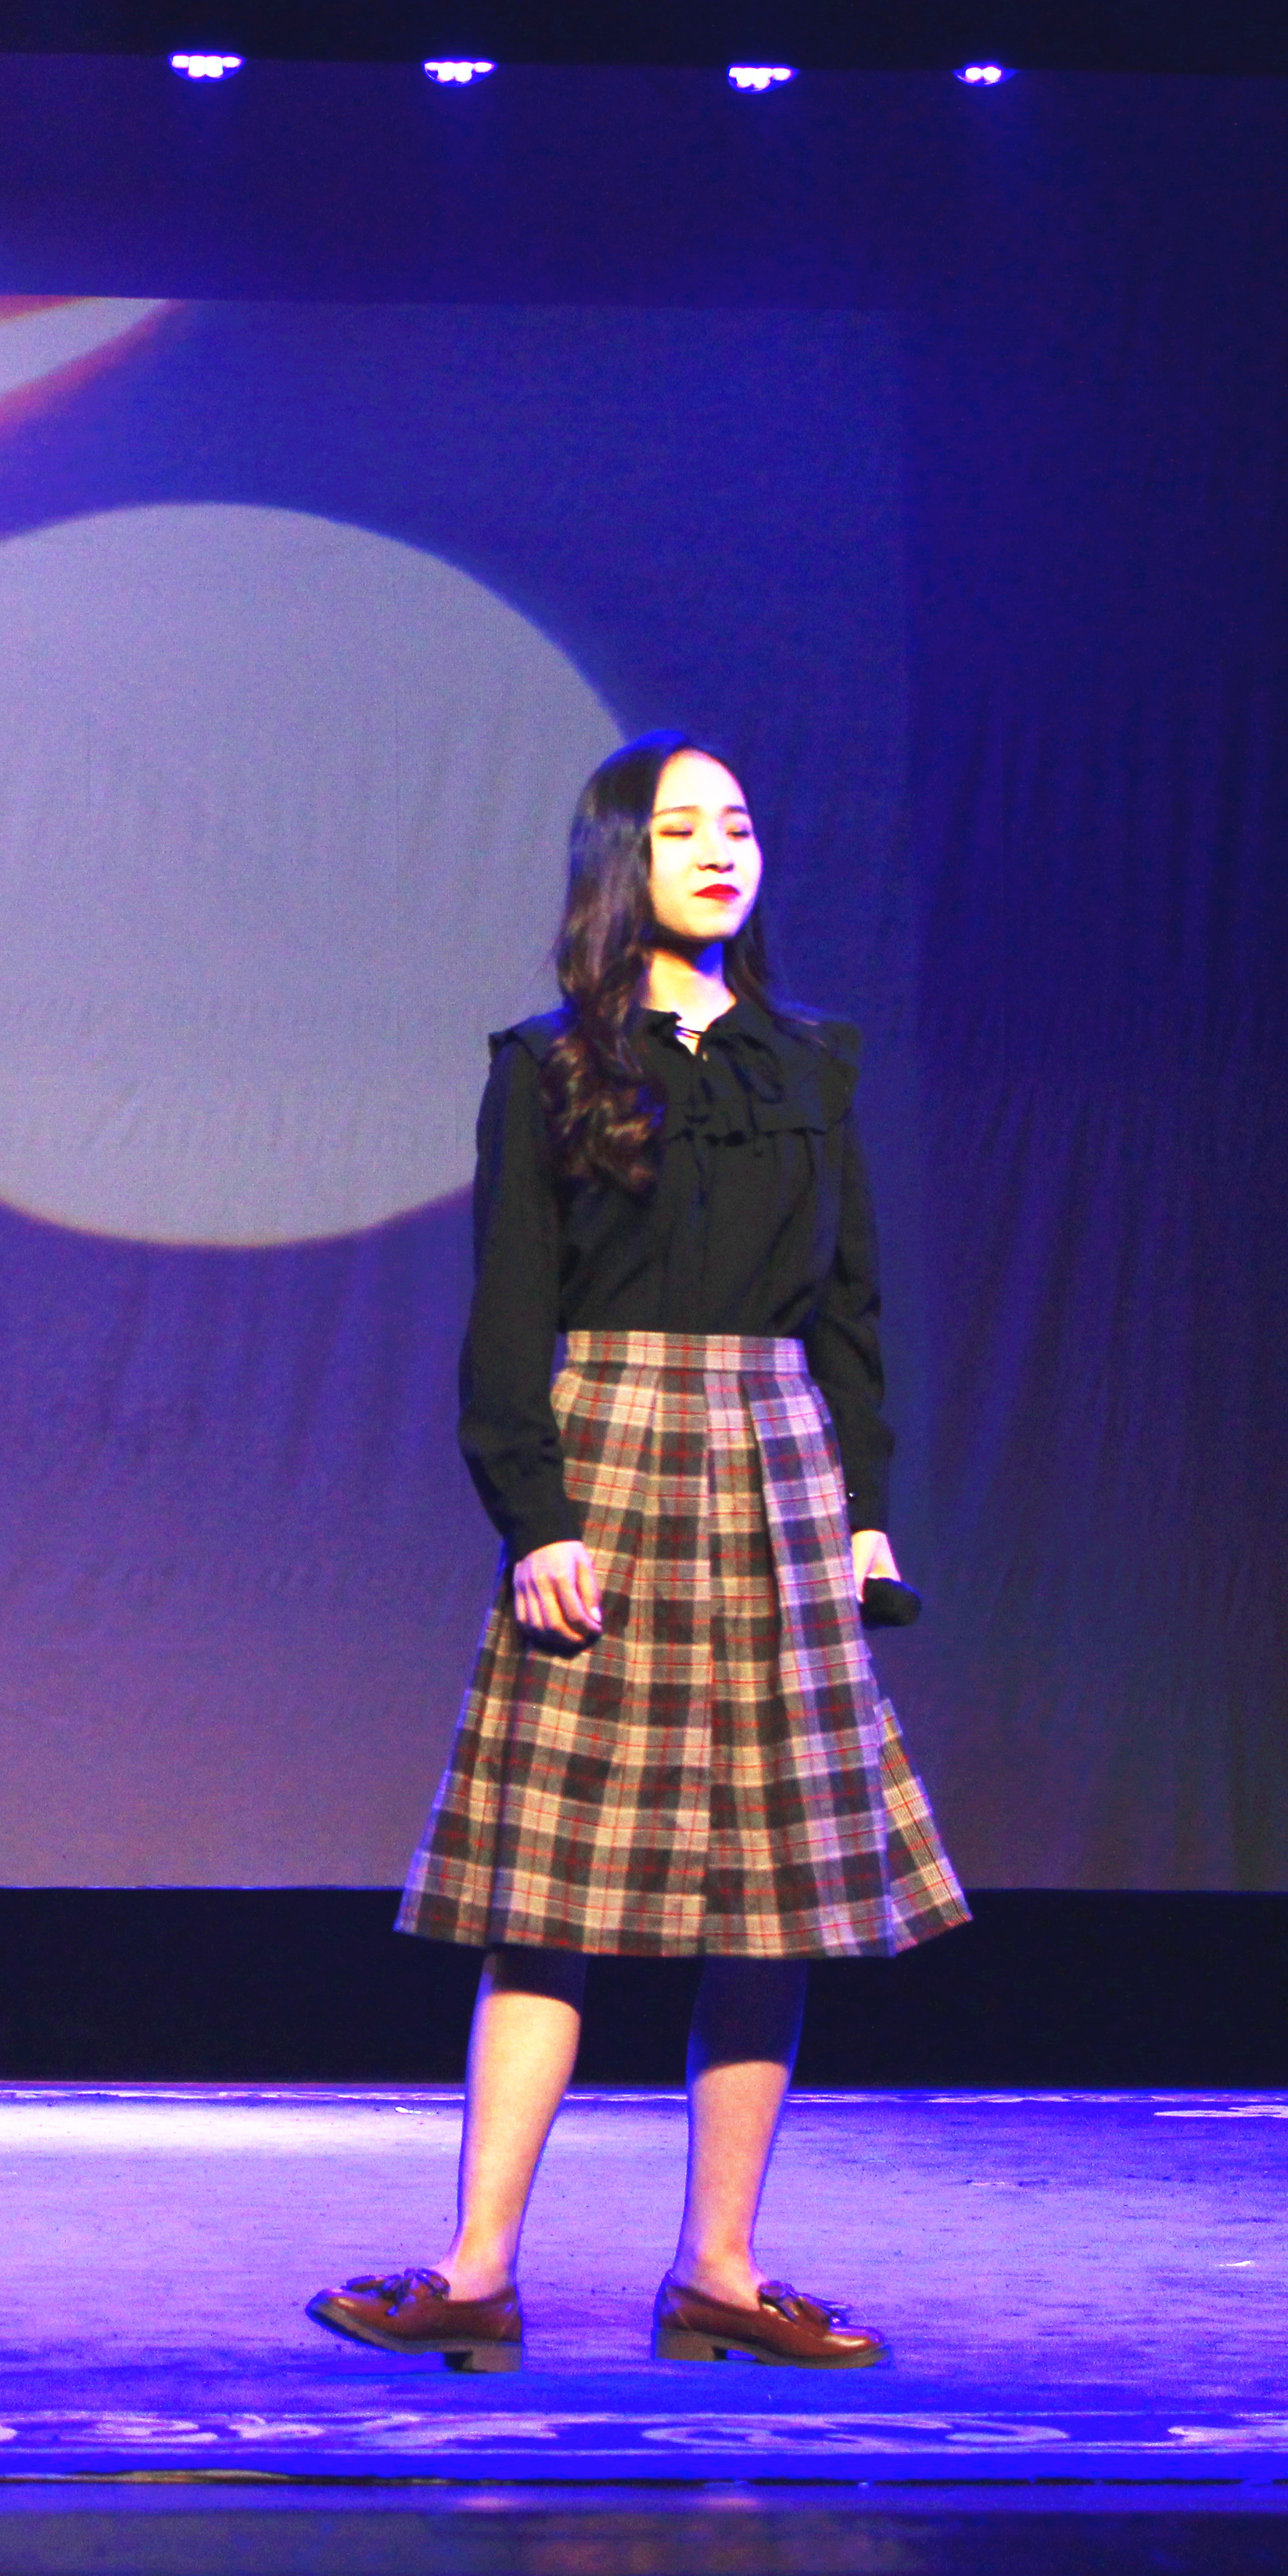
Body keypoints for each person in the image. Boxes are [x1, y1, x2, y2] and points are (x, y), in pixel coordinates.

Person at [311, 732, 965, 2377]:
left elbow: (850, 1310)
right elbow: (507, 1313)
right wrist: (534, 1515)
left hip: (776, 1461)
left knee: (770, 1897)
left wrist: (864, 1502)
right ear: (623, 859)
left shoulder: (809, 1063)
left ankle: (719, 2273)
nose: (721, 848)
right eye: (682, 827)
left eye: (738, 822)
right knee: (548, 1897)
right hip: (605, 1452)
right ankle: (475, 2271)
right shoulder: (547, 1065)